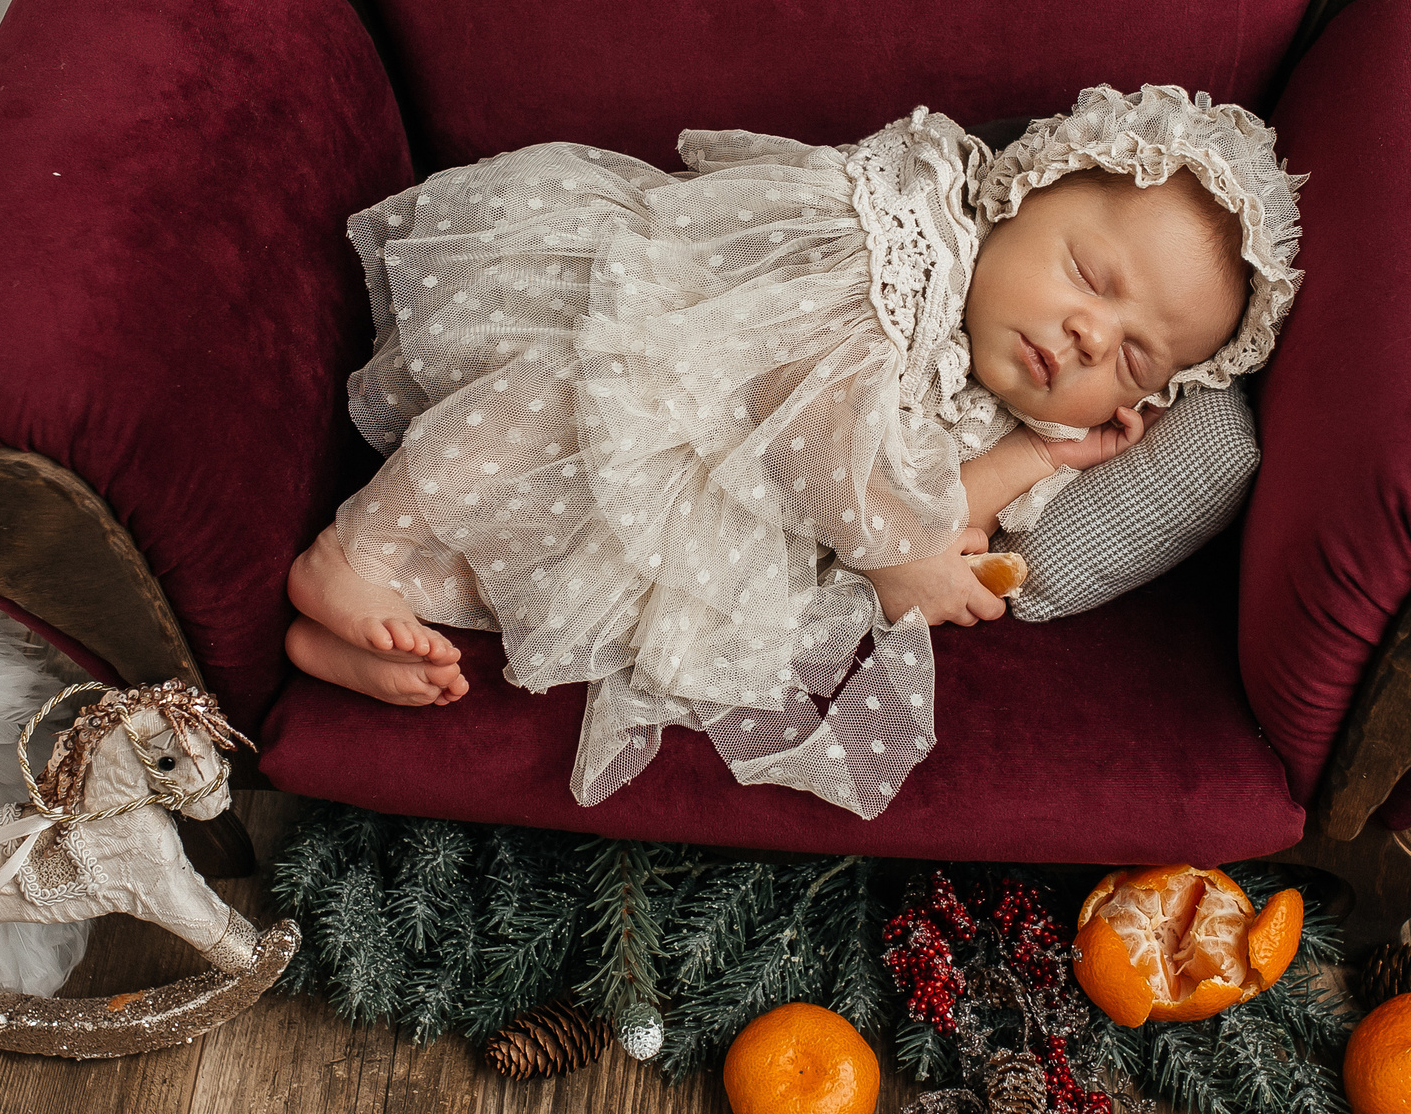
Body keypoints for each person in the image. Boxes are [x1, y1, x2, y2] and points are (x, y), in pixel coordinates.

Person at [282, 84, 1304, 818]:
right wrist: (896, 557)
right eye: (1089, 274)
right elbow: (803, 403)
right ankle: (353, 554)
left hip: (699, 477)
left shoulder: (1001, 403)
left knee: (601, 549)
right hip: (631, 343)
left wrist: (1039, 462)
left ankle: (373, 618)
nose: (1088, 335)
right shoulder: (906, 245)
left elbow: (939, 501)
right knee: (550, 407)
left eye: (1133, 357)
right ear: (1023, 192)